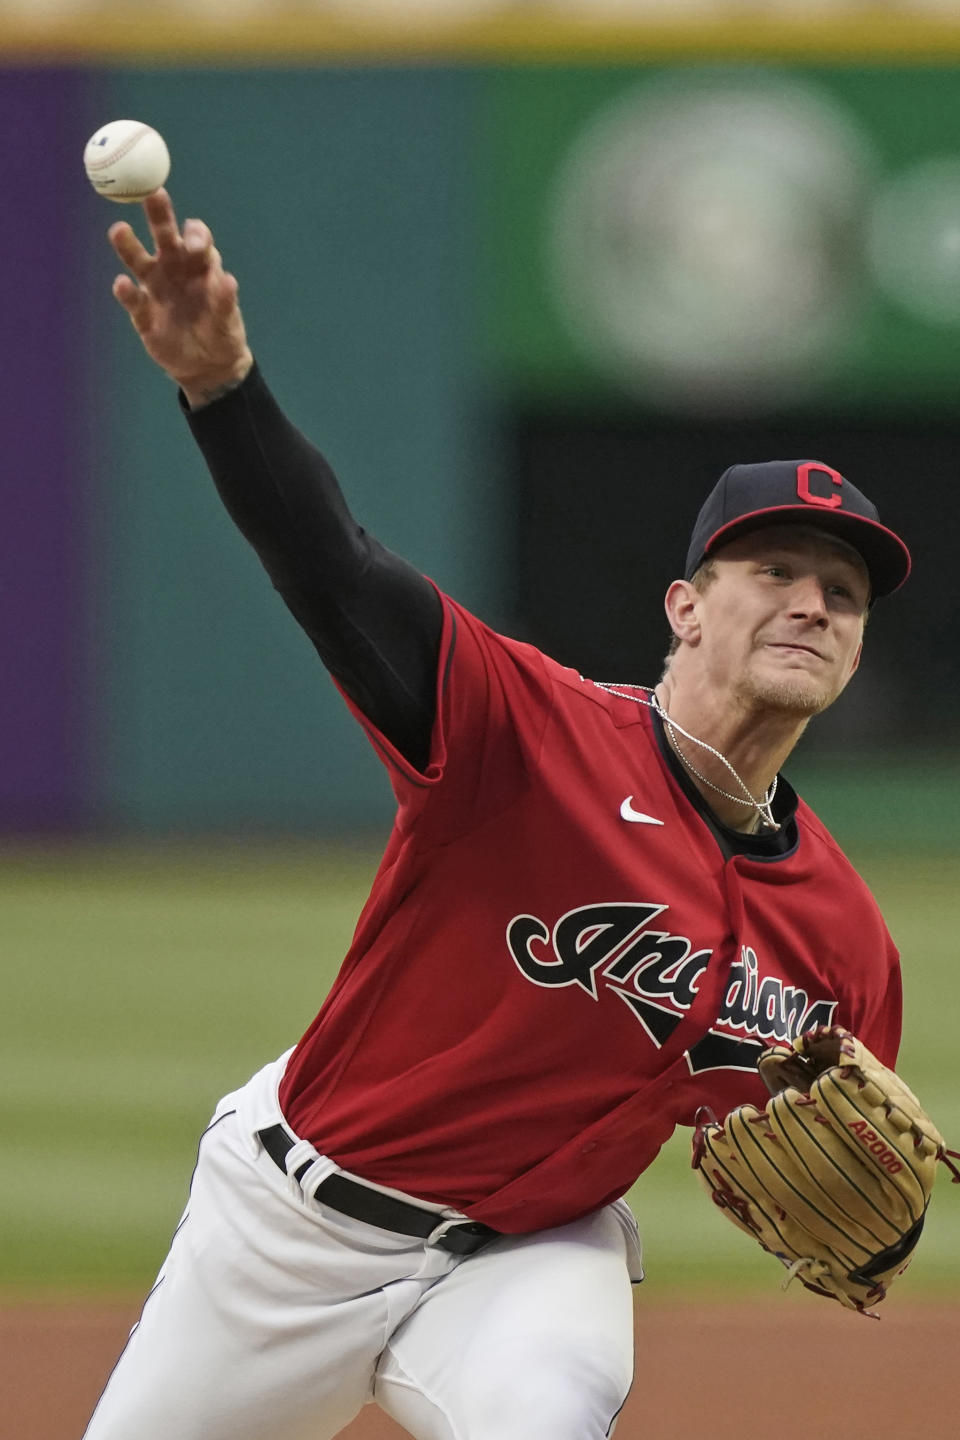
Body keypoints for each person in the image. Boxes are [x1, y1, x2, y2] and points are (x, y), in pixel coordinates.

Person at [84, 189, 911, 1440]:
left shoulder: (845, 941)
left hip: (531, 1258)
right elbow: (334, 568)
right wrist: (224, 386)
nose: (813, 603)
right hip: (288, 1233)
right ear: (686, 608)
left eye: (843, 591)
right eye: (776, 571)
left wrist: (879, 1210)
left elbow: (853, 1159)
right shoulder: (524, 732)